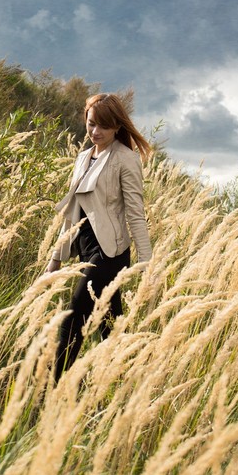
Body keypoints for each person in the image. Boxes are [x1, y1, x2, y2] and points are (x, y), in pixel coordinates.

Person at [46, 93, 152, 382]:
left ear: (117, 126)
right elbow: (72, 211)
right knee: (110, 325)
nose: (95, 131)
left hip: (110, 253)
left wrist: (146, 262)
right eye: (91, 123)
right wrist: (56, 257)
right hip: (85, 246)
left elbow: (136, 213)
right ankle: (125, 380)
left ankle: (51, 390)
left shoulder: (126, 159)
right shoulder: (83, 157)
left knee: (74, 316)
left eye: (103, 126)